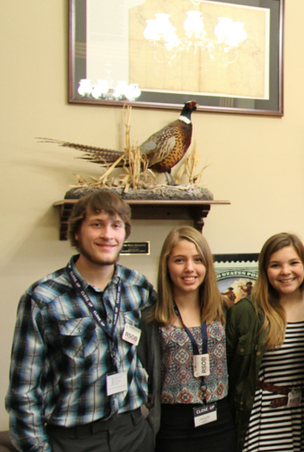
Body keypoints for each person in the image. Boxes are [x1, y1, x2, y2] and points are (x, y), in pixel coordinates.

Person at [6, 191, 157, 452]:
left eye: (116, 225)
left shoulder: (139, 288)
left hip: (133, 433)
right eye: (97, 224)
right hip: (74, 440)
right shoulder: (43, 298)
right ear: (76, 232)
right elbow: (23, 393)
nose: (107, 235)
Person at [142, 226, 234, 452]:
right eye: (179, 260)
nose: (189, 268)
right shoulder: (151, 318)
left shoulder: (224, 311)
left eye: (197, 259)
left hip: (220, 422)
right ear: (166, 265)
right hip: (174, 428)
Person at [227, 233, 304, 452]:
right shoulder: (247, 312)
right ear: (265, 270)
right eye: (276, 265)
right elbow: (232, 374)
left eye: (293, 263)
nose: (286, 271)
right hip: (266, 418)